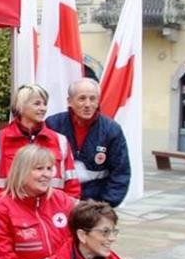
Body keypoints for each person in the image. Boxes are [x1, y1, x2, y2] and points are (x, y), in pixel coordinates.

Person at [45, 79, 130, 208]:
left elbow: (120, 172)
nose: (87, 104)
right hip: (57, 200)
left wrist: (105, 206)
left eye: (92, 99)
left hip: (95, 203)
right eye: (82, 98)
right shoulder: (53, 125)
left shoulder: (111, 130)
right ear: (70, 102)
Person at [0, 85, 80, 199]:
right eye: (37, 104)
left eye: (44, 104)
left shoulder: (60, 140)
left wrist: (68, 212)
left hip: (51, 211)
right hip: (9, 212)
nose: (43, 108)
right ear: (21, 106)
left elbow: (72, 184)